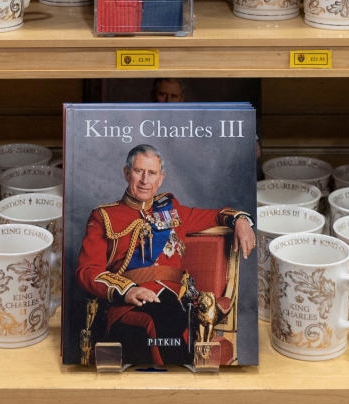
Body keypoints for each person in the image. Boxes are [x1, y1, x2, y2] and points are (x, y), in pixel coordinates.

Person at [75, 144, 255, 365]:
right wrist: (127, 291)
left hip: (176, 301)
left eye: (152, 173)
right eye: (139, 171)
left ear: (161, 179)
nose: (145, 180)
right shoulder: (104, 216)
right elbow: (87, 271)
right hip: (129, 305)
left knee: (170, 310)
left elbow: (217, 216)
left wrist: (241, 220)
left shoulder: (172, 210)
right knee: (162, 316)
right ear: (126, 173)